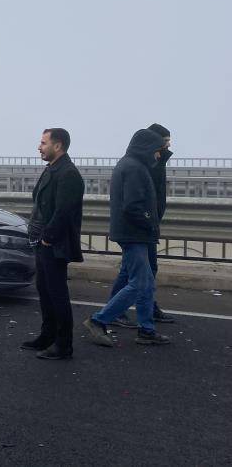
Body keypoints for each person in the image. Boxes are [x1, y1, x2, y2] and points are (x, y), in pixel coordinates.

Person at [83, 129, 171, 347]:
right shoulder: (134, 168)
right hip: (134, 234)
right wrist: (150, 221)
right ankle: (98, 320)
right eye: (158, 151)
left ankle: (146, 330)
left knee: (146, 282)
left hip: (136, 233)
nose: (158, 156)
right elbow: (132, 206)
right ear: (147, 148)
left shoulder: (134, 165)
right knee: (140, 283)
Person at [21, 128, 85, 360]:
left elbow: (63, 211)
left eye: (43, 143)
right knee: (44, 291)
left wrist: (48, 238)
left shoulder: (68, 174)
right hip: (42, 241)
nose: (39, 147)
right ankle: (46, 336)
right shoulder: (53, 169)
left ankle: (63, 344)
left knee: (57, 294)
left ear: (57, 146)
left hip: (53, 243)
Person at [110, 123, 176, 328]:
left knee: (138, 272)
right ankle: (112, 315)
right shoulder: (143, 164)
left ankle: (141, 313)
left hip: (146, 225)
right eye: (164, 143)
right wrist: (149, 220)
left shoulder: (155, 161)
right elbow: (135, 202)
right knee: (140, 274)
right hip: (139, 228)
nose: (167, 147)